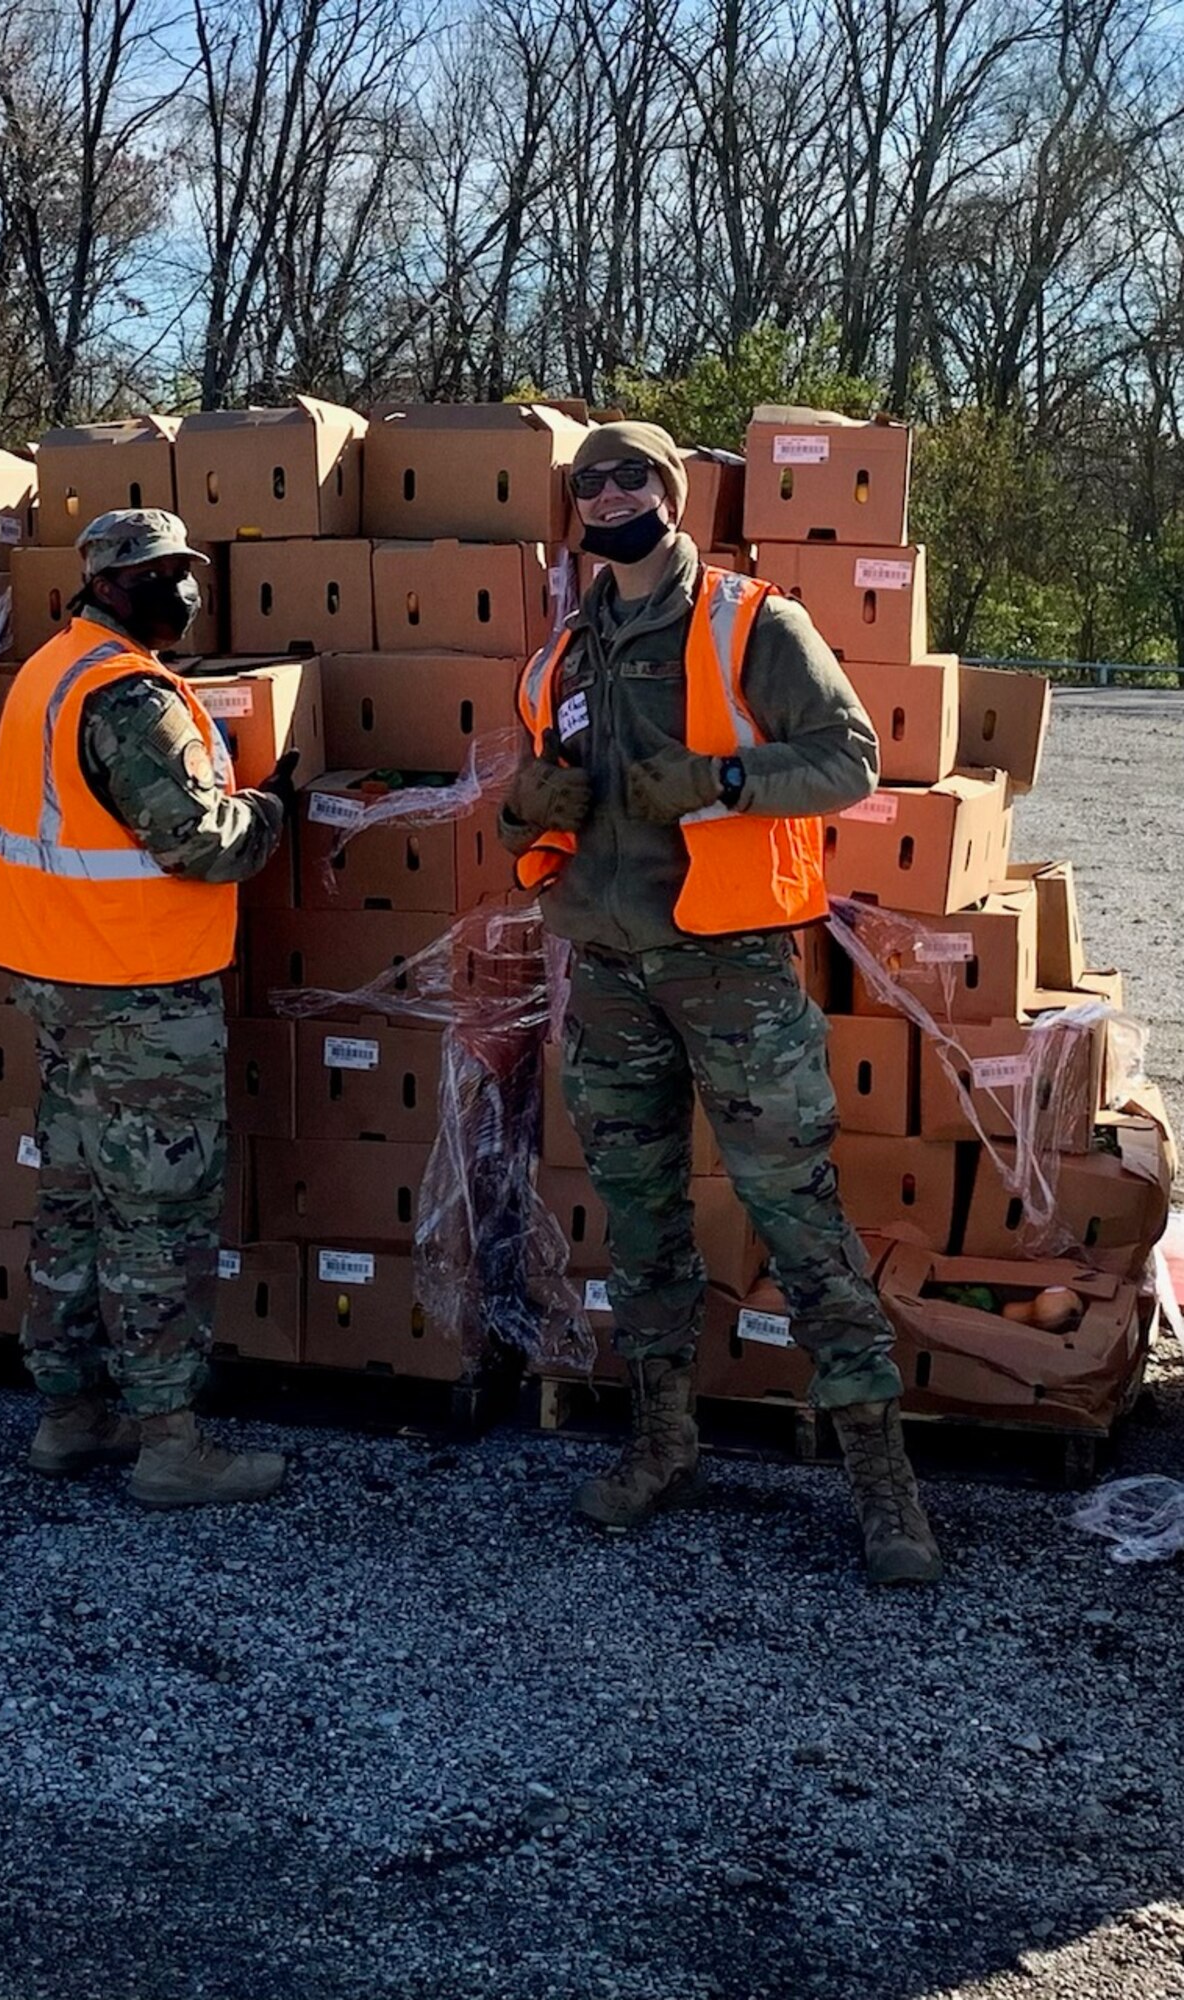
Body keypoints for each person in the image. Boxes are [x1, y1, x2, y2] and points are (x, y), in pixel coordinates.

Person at [500, 423, 942, 1586]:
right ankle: (663, 1445)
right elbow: (543, 807)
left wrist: (721, 780)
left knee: (797, 1219)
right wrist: (520, 808)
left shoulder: (751, 621)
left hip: (731, 968)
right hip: (607, 972)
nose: (606, 496)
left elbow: (848, 760)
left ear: (672, 493)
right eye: (586, 481)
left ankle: (883, 1488)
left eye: (629, 476)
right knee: (640, 1229)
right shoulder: (560, 656)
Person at [0, 508, 295, 1508]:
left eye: (185, 570)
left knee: (72, 1203)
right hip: (138, 996)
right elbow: (200, 840)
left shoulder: (50, 668)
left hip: (63, 986)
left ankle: (70, 1416)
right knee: (158, 1212)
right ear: (108, 584)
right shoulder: (129, 694)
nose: (182, 590)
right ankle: (167, 1440)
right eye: (158, 574)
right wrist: (275, 803)